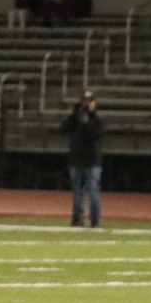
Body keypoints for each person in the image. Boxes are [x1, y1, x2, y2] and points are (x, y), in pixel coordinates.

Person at [59, 90, 104, 227]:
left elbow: (97, 135)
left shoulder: (97, 120)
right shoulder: (75, 119)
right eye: (85, 101)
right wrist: (74, 116)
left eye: (89, 101)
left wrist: (87, 122)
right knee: (77, 192)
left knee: (93, 191)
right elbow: (62, 129)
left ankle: (94, 220)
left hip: (92, 161)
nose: (87, 104)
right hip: (76, 160)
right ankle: (77, 218)